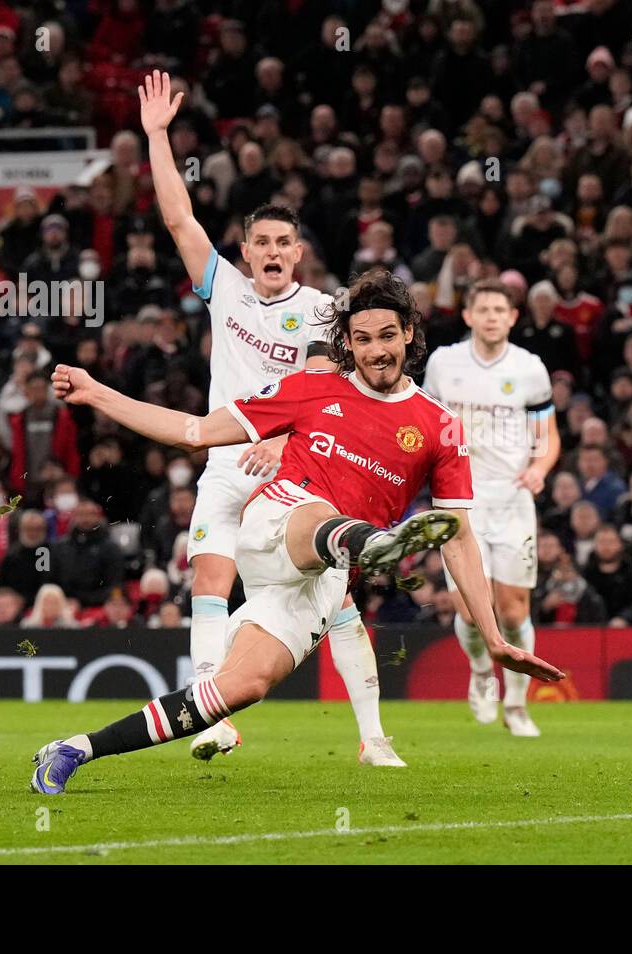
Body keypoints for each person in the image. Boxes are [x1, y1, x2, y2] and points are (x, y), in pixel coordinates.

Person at [31, 267, 563, 794]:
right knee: (321, 517)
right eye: (361, 339)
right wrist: (98, 393)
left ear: (408, 334)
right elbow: (194, 432)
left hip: (321, 578)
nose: (376, 350)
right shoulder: (311, 387)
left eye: (386, 336)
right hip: (280, 522)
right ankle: (375, 545)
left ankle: (74, 750)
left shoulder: (440, 424)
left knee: (235, 690)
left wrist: (493, 638)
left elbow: (459, 537)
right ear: (347, 345)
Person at [137, 71, 399, 767]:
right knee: (209, 581)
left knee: (336, 600)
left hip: (300, 466)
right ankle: (214, 717)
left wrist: (281, 442)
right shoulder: (222, 287)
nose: (276, 252)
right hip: (230, 460)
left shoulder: (322, 309)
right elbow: (176, 220)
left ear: (298, 253)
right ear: (246, 250)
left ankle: (374, 739)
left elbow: (318, 381)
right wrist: (158, 136)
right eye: (264, 243)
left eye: (287, 242)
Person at [423, 279, 560, 737]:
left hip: (512, 501)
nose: (492, 317)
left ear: (513, 317)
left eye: (500, 310)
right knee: (467, 608)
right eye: (483, 309)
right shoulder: (444, 364)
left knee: (514, 612)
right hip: (459, 501)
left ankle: (518, 704)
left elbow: (548, 434)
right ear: (469, 316)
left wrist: (540, 466)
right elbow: (425, 422)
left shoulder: (530, 369)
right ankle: (482, 674)